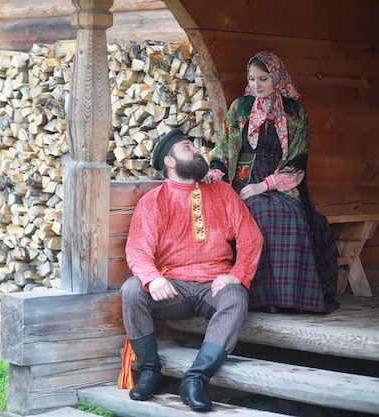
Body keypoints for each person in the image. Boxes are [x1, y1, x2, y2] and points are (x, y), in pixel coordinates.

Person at [120, 128, 263, 411]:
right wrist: (152, 279)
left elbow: (250, 236)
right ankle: (150, 372)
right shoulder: (153, 201)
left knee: (236, 296)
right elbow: (137, 249)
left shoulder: (221, 192)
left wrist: (236, 274)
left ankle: (195, 379)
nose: (197, 150)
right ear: (170, 162)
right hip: (173, 288)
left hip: (213, 285)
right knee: (132, 289)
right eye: (188, 147)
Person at [204, 51, 339, 314]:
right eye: (251, 79)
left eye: (263, 78)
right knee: (258, 216)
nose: (256, 85)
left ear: (276, 77)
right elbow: (224, 149)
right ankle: (261, 298)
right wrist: (216, 174)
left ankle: (291, 298)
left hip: (280, 183)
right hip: (243, 182)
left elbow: (298, 162)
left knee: (289, 215)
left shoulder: (295, 113)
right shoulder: (240, 107)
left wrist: (262, 186)